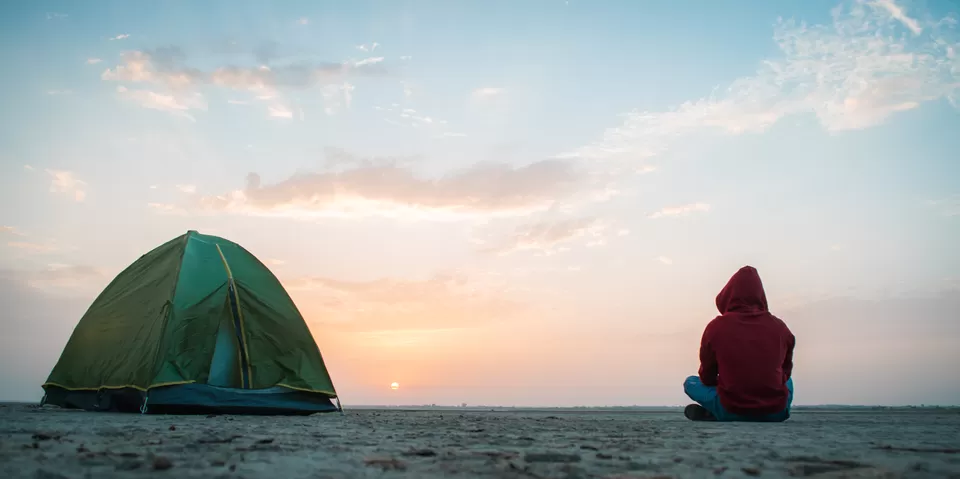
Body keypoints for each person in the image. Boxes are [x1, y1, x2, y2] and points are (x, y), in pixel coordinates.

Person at [683, 266, 795, 422]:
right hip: (775, 412)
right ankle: (723, 412)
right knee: (788, 381)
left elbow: (707, 377)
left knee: (690, 382)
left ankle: (717, 412)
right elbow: (786, 372)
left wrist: (724, 382)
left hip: (731, 407)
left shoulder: (715, 327)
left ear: (728, 295)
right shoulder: (781, 328)